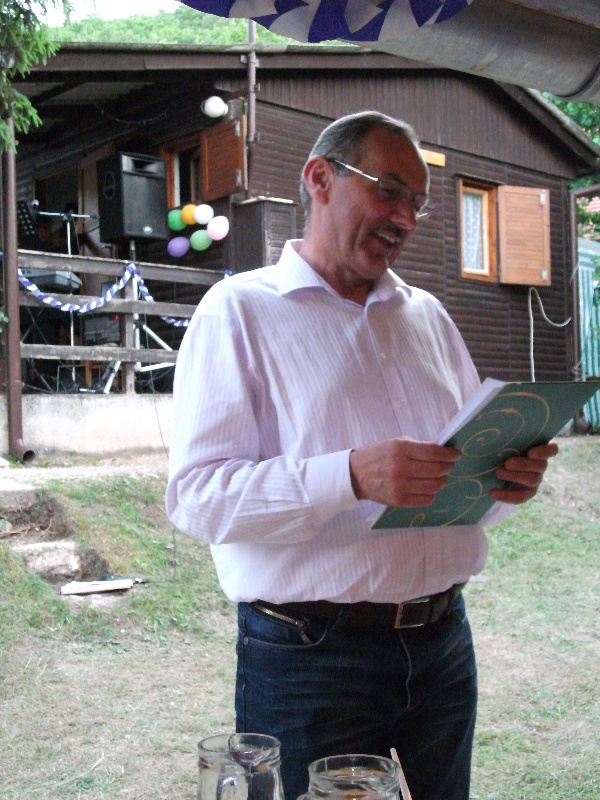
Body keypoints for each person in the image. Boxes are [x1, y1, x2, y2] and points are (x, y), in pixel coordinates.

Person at [165, 111, 558, 800]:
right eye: (389, 191)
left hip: (443, 642)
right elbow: (197, 498)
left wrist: (503, 482)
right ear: (320, 177)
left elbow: (457, 482)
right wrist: (349, 475)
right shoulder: (238, 311)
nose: (405, 217)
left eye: (418, 203)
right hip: (310, 658)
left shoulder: (428, 317)